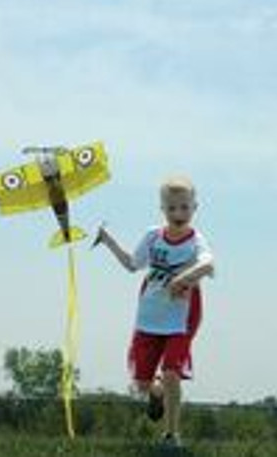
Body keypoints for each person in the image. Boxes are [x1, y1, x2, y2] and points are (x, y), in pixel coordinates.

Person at [96, 175, 214, 446]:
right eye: (172, 208)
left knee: (173, 372)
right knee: (142, 384)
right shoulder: (153, 236)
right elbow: (131, 264)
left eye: (184, 207)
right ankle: (156, 391)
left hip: (181, 318)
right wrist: (107, 240)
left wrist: (183, 278)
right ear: (163, 209)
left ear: (194, 208)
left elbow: (208, 263)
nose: (178, 214)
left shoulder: (196, 241)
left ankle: (171, 434)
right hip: (150, 315)